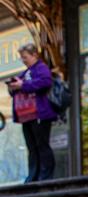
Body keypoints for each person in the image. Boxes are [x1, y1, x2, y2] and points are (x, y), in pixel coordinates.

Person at [7, 43, 57, 182]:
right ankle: (33, 176)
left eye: (25, 57)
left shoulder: (41, 68)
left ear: (35, 55)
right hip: (27, 117)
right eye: (22, 58)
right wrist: (13, 87)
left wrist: (23, 85)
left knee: (42, 145)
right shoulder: (25, 72)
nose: (23, 60)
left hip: (39, 114)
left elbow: (46, 82)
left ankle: (45, 175)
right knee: (32, 147)